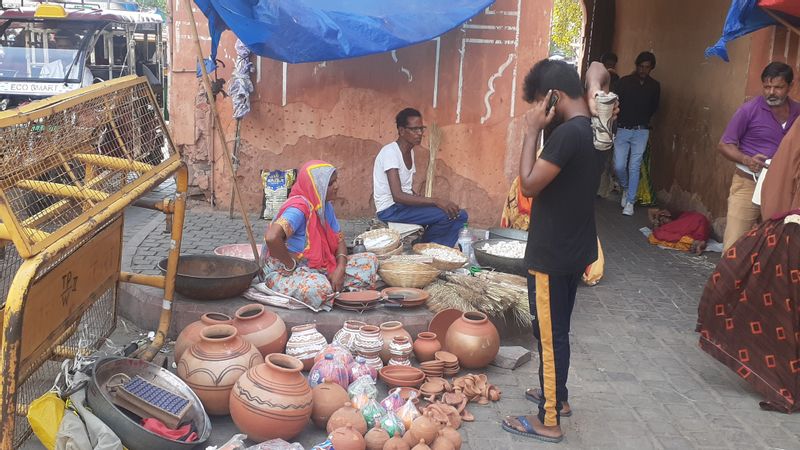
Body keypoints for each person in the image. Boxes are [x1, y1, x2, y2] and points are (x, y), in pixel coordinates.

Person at [501, 59, 611, 443]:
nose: (534, 112)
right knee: (558, 331)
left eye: (537, 103)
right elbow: (598, 67)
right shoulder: (597, 127)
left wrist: (531, 131)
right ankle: (558, 398)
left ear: (553, 98)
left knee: (547, 336)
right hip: (576, 248)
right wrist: (595, 87)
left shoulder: (567, 136)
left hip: (552, 253)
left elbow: (528, 186)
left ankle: (548, 419)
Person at [261, 160, 378, 311]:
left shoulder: (324, 206)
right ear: (315, 187)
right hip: (288, 271)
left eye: (336, 181)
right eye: (330, 184)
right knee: (319, 289)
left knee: (370, 261)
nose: (336, 186)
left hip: (320, 266)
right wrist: (289, 264)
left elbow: (339, 240)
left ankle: (332, 289)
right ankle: (332, 290)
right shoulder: (299, 208)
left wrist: (340, 269)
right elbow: (271, 237)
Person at [718, 62, 800, 249]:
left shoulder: (797, 111)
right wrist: (746, 159)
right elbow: (724, 144)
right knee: (735, 243)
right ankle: (727, 278)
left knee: (776, 245)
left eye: (778, 87)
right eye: (767, 87)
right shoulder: (749, 109)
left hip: (783, 188)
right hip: (748, 182)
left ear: (790, 86)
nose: (771, 92)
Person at [373, 108, 468, 247]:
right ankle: (430, 247)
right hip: (390, 210)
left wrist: (422, 200)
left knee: (456, 213)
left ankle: (425, 245)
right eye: (414, 129)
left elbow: (406, 189)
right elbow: (398, 196)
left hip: (402, 207)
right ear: (401, 130)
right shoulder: (390, 152)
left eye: (421, 129)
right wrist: (435, 201)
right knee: (454, 215)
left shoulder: (409, 152)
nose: (419, 134)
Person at [614, 51, 660, 216]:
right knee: (618, 165)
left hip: (641, 131)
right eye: (641, 66)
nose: (643, 70)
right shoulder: (625, 82)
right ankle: (626, 188)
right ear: (637, 65)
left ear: (651, 68)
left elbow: (654, 107)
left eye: (647, 67)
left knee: (634, 166)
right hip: (623, 129)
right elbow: (615, 102)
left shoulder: (654, 86)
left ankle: (630, 202)